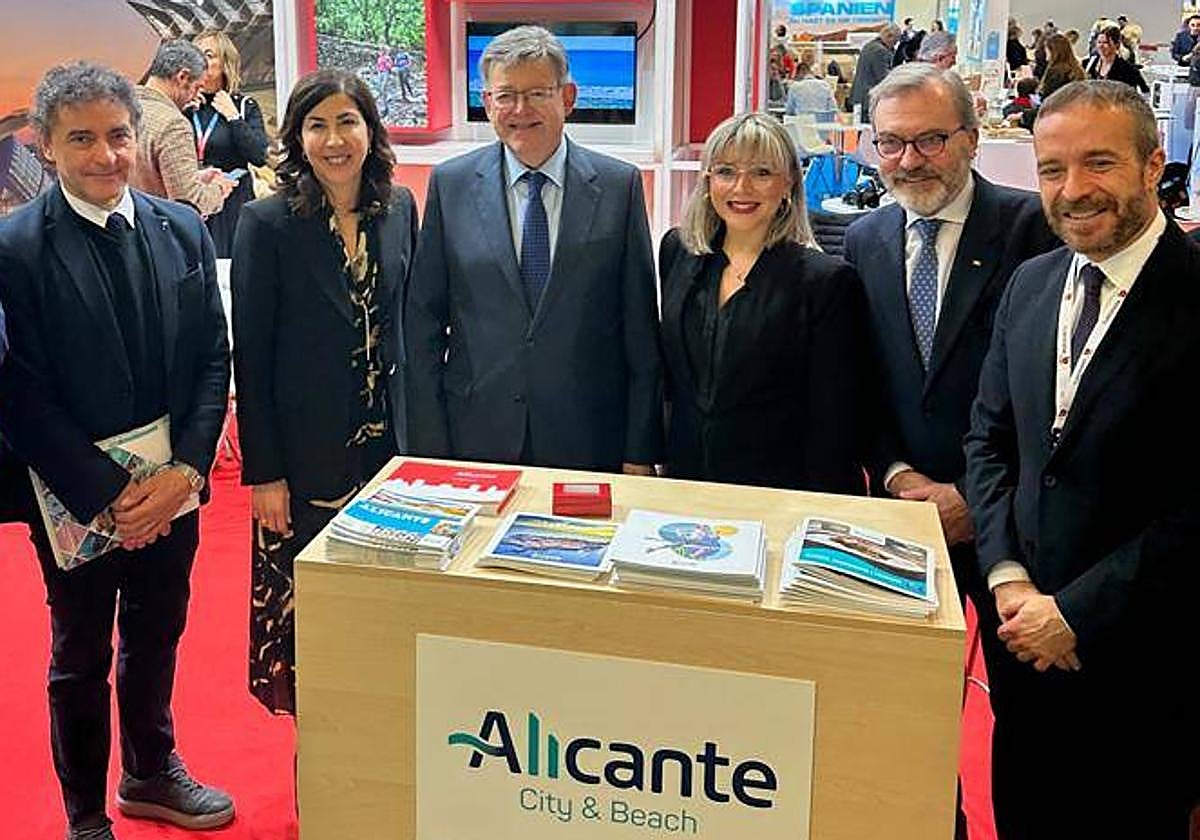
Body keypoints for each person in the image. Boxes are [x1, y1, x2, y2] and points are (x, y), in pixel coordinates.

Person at [0, 61, 232, 840]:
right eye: (83, 139)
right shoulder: (14, 250)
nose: (106, 156)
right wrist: (110, 495)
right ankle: (87, 816)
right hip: (72, 497)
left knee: (159, 630)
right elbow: (16, 389)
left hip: (174, 491)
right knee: (80, 654)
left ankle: (151, 771)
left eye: (119, 135)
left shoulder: (181, 227)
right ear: (44, 144)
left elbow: (211, 358)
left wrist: (186, 474)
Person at [964, 79, 1200, 839]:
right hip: (1023, 651)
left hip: (1145, 668)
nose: (1073, 191)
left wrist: (1075, 613)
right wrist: (1007, 579)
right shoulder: (1030, 286)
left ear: (1154, 164)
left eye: (1099, 163)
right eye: (1052, 168)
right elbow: (990, 441)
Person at [843, 63, 1059, 840]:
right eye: (891, 143)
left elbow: (1053, 392)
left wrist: (973, 495)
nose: (909, 161)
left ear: (969, 139)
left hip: (1010, 525)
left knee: (1027, 715)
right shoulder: (863, 238)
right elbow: (858, 382)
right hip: (900, 519)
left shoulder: (1037, 229)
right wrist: (900, 476)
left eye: (930, 139)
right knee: (898, 709)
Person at [232, 68, 417, 716]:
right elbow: (251, 359)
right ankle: (324, 772)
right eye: (317, 125)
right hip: (306, 465)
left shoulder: (399, 211)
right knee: (315, 631)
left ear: (370, 130)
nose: (334, 139)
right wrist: (266, 475)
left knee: (384, 616)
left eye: (347, 121)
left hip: (388, 455)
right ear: (297, 138)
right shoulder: (267, 224)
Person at [405, 25, 662, 474]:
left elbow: (639, 330)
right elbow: (424, 324)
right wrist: (428, 446)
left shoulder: (619, 187)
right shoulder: (451, 185)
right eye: (505, 95)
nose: (520, 110)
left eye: (537, 93)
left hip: (588, 438)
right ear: (487, 104)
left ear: (568, 97)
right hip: (477, 434)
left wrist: (640, 450)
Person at [658, 112, 872, 494]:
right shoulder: (677, 251)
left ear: (788, 182)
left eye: (761, 173)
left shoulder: (826, 282)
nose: (741, 188)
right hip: (683, 484)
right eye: (725, 172)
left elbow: (834, 423)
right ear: (708, 181)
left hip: (778, 495)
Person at [129, 40, 233, 218]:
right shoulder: (173, 124)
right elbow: (189, 202)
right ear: (183, 77)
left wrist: (193, 177)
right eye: (197, 87)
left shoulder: (120, 108)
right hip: (157, 233)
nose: (196, 96)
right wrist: (218, 189)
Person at [190, 30, 269, 258]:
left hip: (232, 201)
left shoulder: (244, 105)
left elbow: (259, 155)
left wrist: (233, 117)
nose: (201, 61)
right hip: (193, 197)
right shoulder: (185, 106)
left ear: (225, 62)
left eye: (209, 55)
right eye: (196, 55)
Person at [847, 23, 901, 116]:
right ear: (889, 36)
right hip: (869, 100)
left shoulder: (869, 45)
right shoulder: (881, 51)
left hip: (860, 97)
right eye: (895, 41)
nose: (894, 45)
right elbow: (884, 78)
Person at [1085, 25, 1148, 92]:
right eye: (1099, 42)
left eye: (1105, 42)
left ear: (1117, 44)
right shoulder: (1088, 64)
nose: (1101, 46)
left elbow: (1134, 96)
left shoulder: (1128, 70)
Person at [1038, 33, 1085, 100]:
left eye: (1046, 50)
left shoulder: (1055, 72)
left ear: (1053, 51)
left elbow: (1047, 98)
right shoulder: (1077, 70)